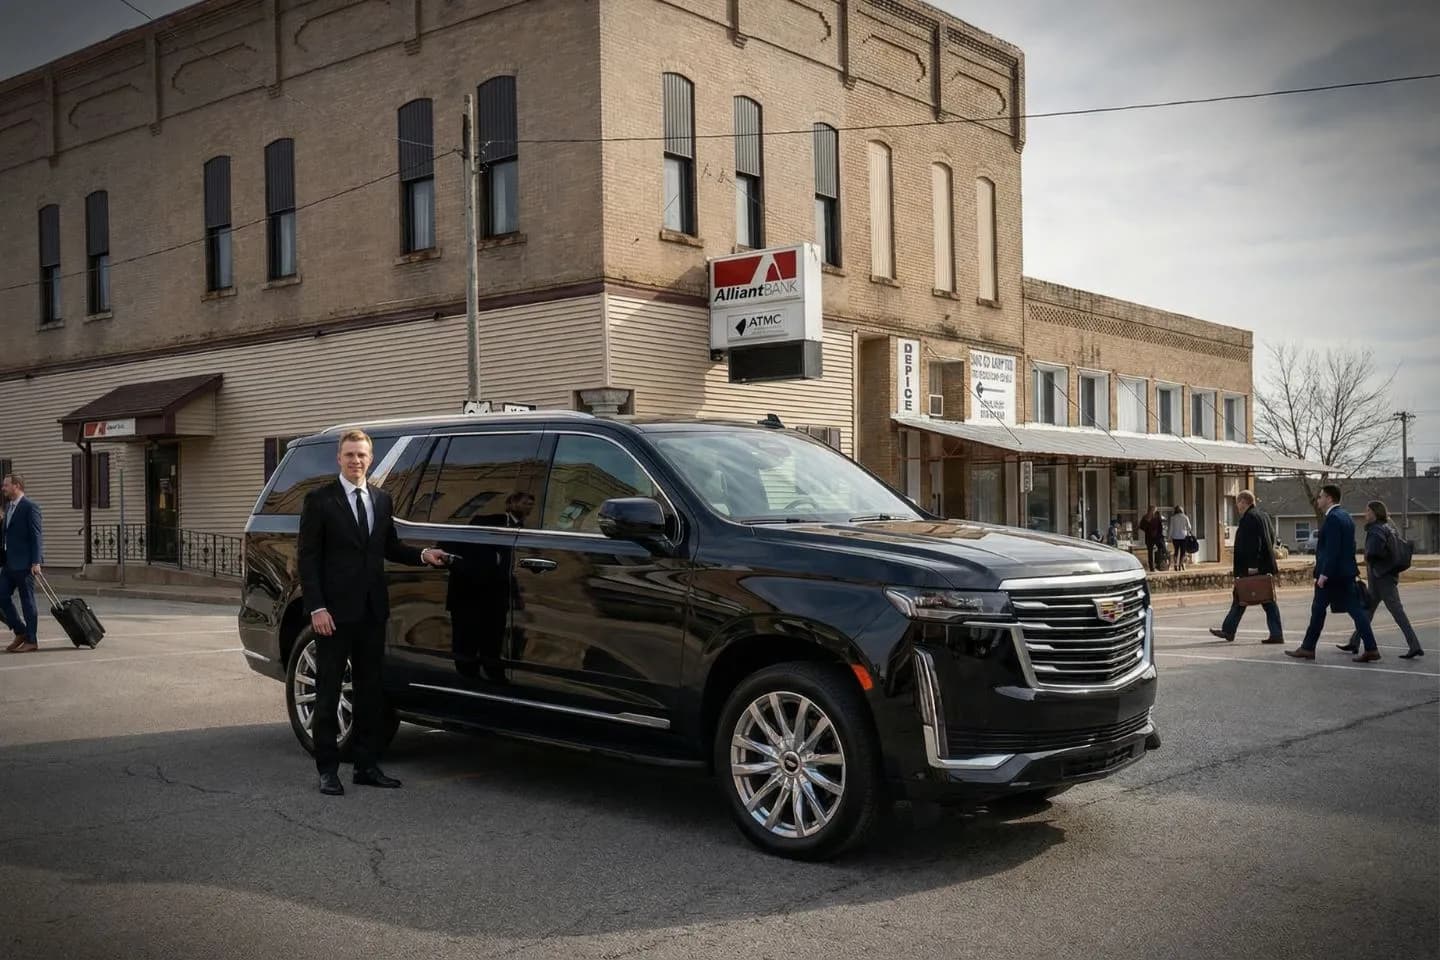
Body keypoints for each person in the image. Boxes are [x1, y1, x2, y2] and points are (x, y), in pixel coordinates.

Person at [299, 429, 448, 796]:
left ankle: (366, 766)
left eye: (362, 455)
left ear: (371, 458)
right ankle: (328, 769)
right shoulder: (319, 500)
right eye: (349, 455)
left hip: (371, 612)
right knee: (329, 692)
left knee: (369, 693)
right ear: (339, 458)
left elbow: (389, 546)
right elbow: (308, 558)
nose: (356, 461)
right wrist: (317, 607)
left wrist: (421, 555)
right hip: (332, 615)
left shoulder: (381, 500)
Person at [1286, 484, 1379, 663]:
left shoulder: (1333, 519)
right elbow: (1349, 547)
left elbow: (1332, 550)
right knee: (1356, 611)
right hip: (1346, 574)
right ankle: (1371, 648)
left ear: (1329, 498)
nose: (1318, 500)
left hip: (1332, 576)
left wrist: (1323, 574)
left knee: (1318, 610)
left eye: (1321, 497)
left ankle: (1307, 648)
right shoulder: (1346, 517)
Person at [1338, 500, 1423, 659]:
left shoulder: (1376, 529)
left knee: (1397, 612)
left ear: (1374, 513)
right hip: (1384, 574)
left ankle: (1415, 645)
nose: (1365, 514)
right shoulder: (1389, 526)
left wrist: (1368, 557)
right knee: (1367, 610)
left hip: (1381, 576)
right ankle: (1354, 641)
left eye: (1367, 511)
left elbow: (1374, 551)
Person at [1209, 490, 1283, 644]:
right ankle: (1229, 630)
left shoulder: (1249, 518)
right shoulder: (1263, 516)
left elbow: (1253, 544)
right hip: (1264, 566)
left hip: (1254, 568)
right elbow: (1271, 536)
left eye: (1238, 502)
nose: (1237, 506)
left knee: (1255, 599)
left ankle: (1230, 630)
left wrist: (1252, 566)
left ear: (1244, 502)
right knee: (1252, 598)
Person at [1, 474, 44, 654]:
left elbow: (36, 536)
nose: (3, 488)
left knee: (28, 602)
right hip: (9, 563)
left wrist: (36, 561)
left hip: (26, 564)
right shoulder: (8, 507)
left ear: (16, 486)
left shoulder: (30, 507)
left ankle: (31, 640)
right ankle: (20, 630)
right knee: (1, 596)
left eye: (6, 485)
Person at [1169, 505, 1193, 572]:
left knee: (1176, 551)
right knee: (1183, 551)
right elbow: (1189, 527)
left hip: (1175, 536)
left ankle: (1175, 564)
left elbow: (1171, 528)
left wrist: (1169, 536)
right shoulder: (1185, 517)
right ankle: (1180, 564)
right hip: (1183, 536)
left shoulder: (1173, 518)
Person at [1141, 506, 1165, 571]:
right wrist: (1148, 528)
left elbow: (1160, 526)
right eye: (1154, 510)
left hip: (1157, 536)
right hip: (1149, 537)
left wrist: (1160, 534)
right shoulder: (1146, 517)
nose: (1155, 511)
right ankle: (1152, 567)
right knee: (1150, 551)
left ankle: (1157, 564)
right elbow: (1142, 526)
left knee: (1160, 548)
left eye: (1155, 510)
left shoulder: (1157, 517)